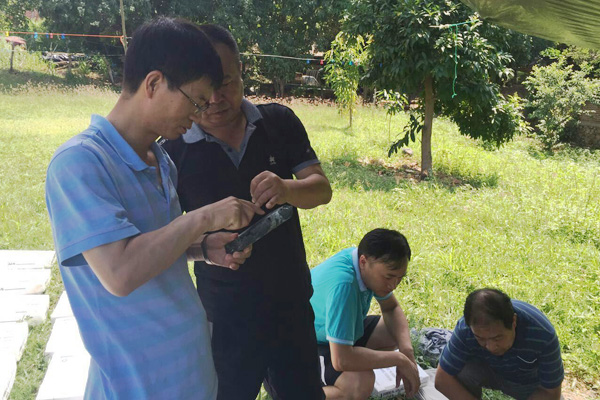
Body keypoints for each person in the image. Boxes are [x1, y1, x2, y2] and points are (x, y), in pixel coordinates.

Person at [45, 18, 262, 399]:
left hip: (193, 373)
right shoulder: (80, 164)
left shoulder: (161, 161)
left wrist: (202, 248)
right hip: (137, 385)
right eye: (195, 101)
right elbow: (120, 272)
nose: (198, 115)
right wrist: (204, 218)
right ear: (154, 83)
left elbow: (156, 247)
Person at [161, 24, 332, 400]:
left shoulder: (278, 122)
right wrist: (207, 246)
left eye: (226, 82)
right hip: (224, 314)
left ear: (242, 70)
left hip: (289, 303)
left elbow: (321, 190)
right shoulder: (172, 151)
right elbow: (167, 240)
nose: (216, 99)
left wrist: (287, 188)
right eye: (204, 90)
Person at [309, 228, 421, 400]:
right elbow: (341, 360)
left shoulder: (362, 261)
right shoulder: (344, 285)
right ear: (363, 261)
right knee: (360, 383)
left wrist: (406, 351)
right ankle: (295, 392)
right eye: (388, 277)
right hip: (306, 343)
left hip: (332, 333)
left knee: (393, 332)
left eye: (399, 278)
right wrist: (399, 359)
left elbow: (391, 308)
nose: (393, 285)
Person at [435, 288, 564, 400]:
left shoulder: (542, 334)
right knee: (460, 371)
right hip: (487, 370)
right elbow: (442, 378)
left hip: (526, 383)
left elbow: (550, 392)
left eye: (497, 338)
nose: (490, 347)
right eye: (480, 338)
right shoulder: (466, 329)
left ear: (513, 322)